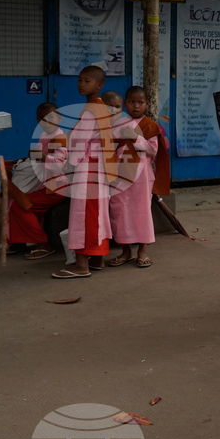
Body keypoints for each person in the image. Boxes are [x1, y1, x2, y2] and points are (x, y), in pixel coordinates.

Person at [53, 65, 117, 279]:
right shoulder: (101, 107)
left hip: (88, 168)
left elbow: (80, 141)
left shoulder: (91, 109)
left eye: (87, 81)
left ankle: (81, 264)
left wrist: (70, 163)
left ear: (99, 85)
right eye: (80, 80)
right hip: (100, 168)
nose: (81, 84)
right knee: (97, 214)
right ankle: (97, 258)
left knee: (83, 215)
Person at [106, 86, 170, 269]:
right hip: (119, 174)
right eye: (132, 102)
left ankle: (142, 251)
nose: (136, 106)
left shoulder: (150, 125)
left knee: (141, 211)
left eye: (140, 102)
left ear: (146, 105)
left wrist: (135, 138)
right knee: (119, 211)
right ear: (125, 104)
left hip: (142, 176)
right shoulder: (116, 124)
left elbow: (153, 150)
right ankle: (126, 251)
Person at [5, 103, 69, 259]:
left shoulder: (60, 137)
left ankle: (43, 243)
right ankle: (18, 241)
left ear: (59, 118)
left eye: (50, 118)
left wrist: (41, 156)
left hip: (59, 186)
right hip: (45, 183)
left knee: (22, 206)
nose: (45, 122)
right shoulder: (44, 136)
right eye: (41, 119)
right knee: (11, 200)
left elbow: (61, 164)